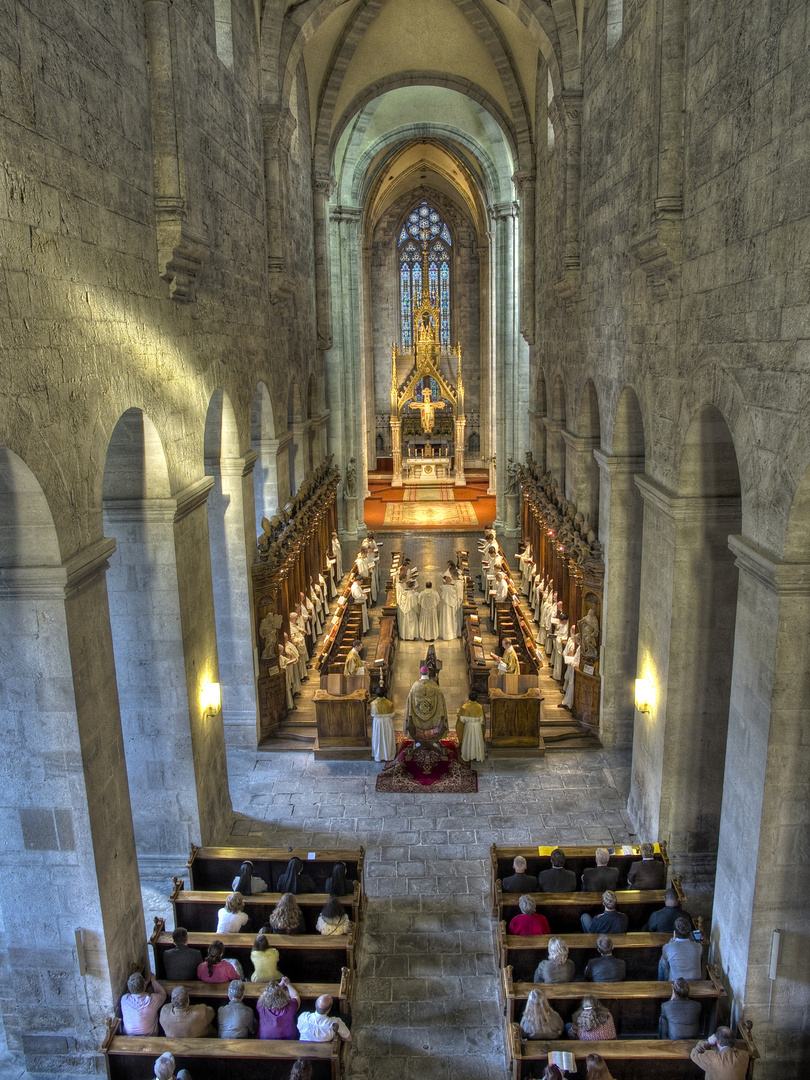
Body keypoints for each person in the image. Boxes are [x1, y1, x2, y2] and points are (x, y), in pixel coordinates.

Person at [403, 664, 449, 760]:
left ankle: (419, 741)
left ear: (420, 674)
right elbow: (442, 704)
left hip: (417, 724)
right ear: (428, 673)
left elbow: (409, 703)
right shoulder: (435, 687)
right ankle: (433, 741)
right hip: (433, 724)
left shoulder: (415, 687)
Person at [120, 971, 167, 1035]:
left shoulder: (124, 999)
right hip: (150, 1037)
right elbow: (163, 994)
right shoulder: (153, 1000)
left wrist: (143, 984)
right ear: (144, 986)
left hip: (128, 1037)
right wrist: (153, 981)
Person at [456, 689, 486, 762]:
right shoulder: (479, 707)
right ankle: (477, 755)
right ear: (477, 697)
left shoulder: (465, 706)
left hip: (468, 726)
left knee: (468, 740)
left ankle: (468, 755)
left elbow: (461, 719)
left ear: (469, 697)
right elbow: (482, 720)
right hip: (477, 726)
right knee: (477, 740)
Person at [370, 686, 396, 762]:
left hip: (377, 722)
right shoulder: (389, 703)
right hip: (387, 722)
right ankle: (388, 755)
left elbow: (372, 714)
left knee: (378, 738)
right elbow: (392, 714)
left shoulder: (373, 703)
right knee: (387, 738)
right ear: (385, 693)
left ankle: (378, 756)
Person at [439, 574, 462, 639]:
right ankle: (453, 634)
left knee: (446, 620)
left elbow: (441, 597)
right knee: (452, 620)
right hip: (452, 609)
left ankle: (446, 635)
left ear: (445, 581)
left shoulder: (445, 589)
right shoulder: (454, 588)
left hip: (446, 609)